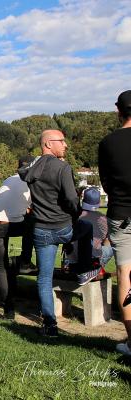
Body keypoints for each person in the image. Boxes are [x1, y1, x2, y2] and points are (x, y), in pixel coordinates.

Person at [19, 130, 95, 337]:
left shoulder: (31, 169)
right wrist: (76, 213)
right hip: (63, 227)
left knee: (44, 278)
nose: (66, 145)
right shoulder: (62, 168)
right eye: (61, 141)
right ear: (48, 144)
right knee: (87, 228)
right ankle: (84, 270)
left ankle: (50, 325)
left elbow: (25, 170)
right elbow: (71, 199)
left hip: (41, 230)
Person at [99, 90, 131, 356]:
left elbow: (106, 183)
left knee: (125, 275)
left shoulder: (108, 143)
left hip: (121, 214)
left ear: (118, 110)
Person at [0, 156, 35, 319]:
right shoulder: (33, 181)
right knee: (34, 223)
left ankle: (8, 310)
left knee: (1, 266)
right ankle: (25, 260)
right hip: (12, 223)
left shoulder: (8, 179)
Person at [63, 187, 113, 268]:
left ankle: (68, 262)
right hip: (91, 257)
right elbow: (106, 241)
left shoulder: (73, 216)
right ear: (99, 202)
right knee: (113, 243)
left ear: (84, 200)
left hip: (71, 256)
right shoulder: (103, 219)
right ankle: (97, 266)